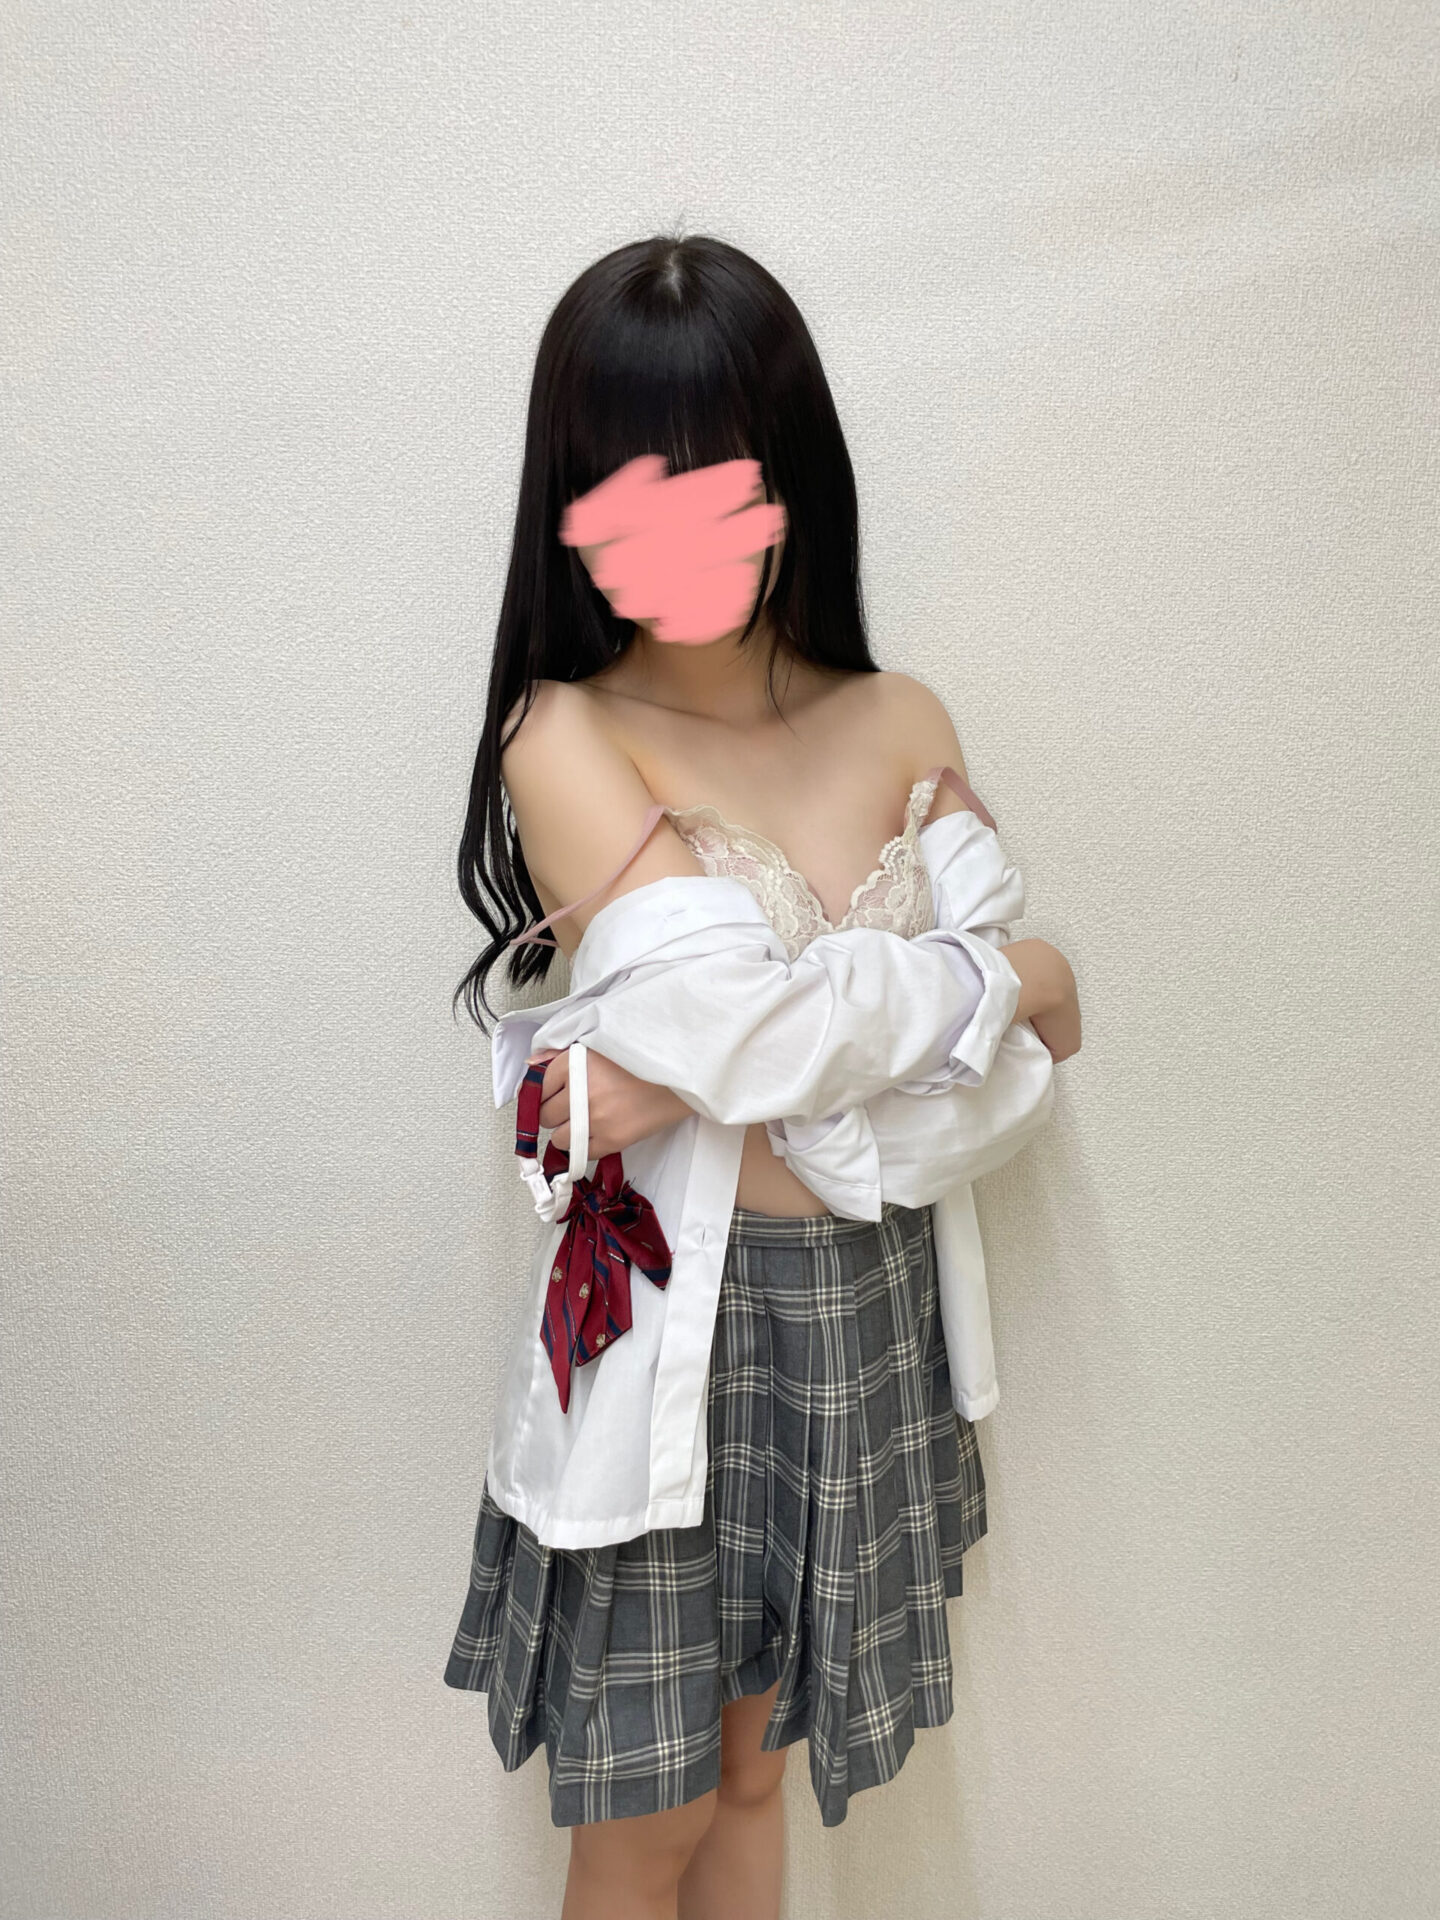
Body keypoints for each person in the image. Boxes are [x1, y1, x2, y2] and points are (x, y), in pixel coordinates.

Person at [445, 230, 1081, 1920]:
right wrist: (1003, 980)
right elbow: (773, 1037)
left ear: (791, 470)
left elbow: (1004, 1085)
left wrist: (676, 1081)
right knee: (643, 1817)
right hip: (683, 1328)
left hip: (869, 1317)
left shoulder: (900, 714)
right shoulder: (566, 735)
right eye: (628, 482)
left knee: (751, 1776)